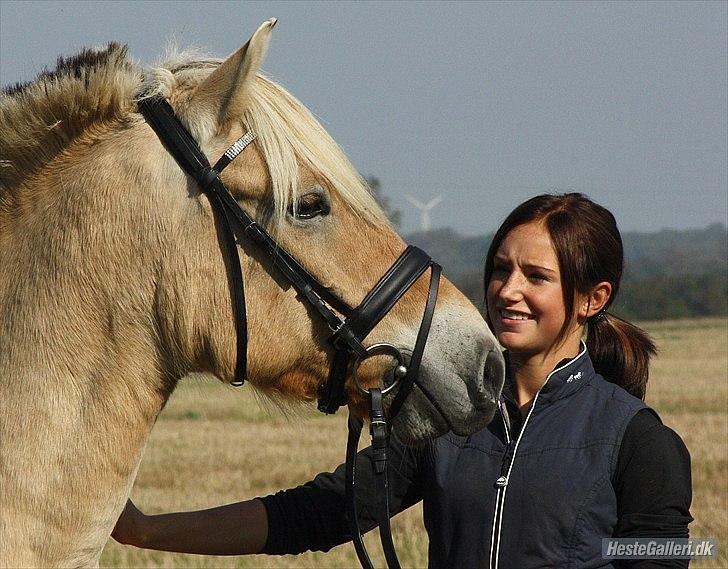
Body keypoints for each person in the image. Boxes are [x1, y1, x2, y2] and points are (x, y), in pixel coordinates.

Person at [113, 193, 692, 568]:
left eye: (535, 276)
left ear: (594, 299)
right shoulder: (448, 421)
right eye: (500, 268)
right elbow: (316, 515)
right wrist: (146, 530)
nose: (507, 290)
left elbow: (658, 557)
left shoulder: (637, 440)